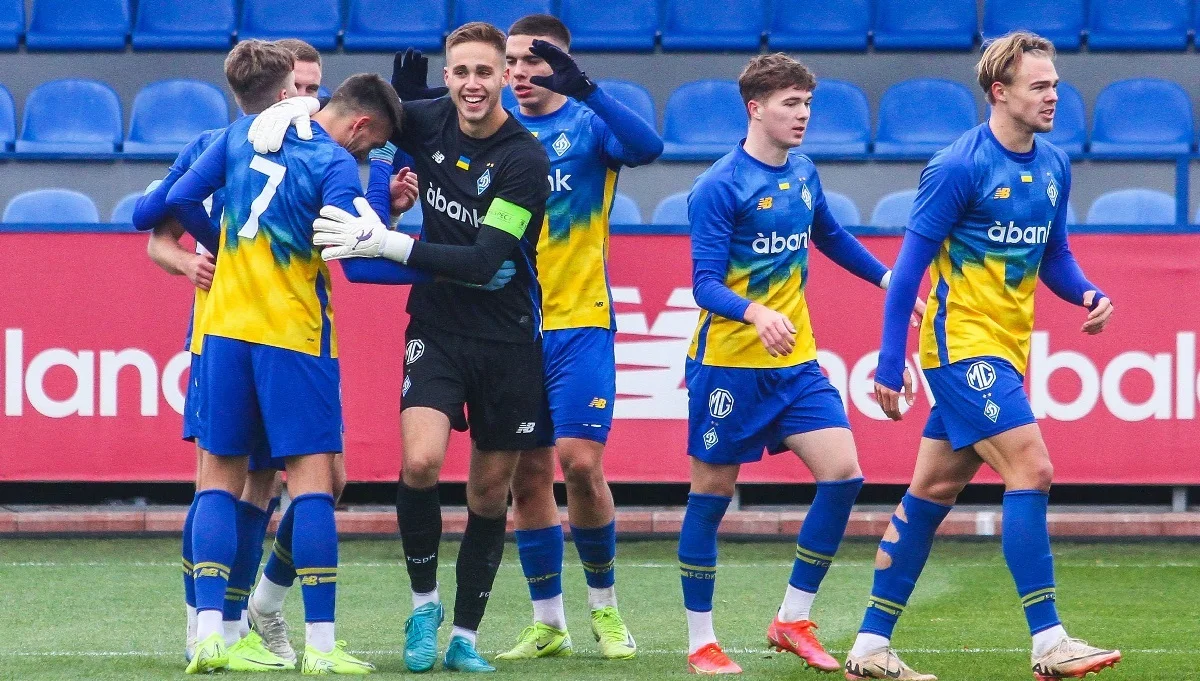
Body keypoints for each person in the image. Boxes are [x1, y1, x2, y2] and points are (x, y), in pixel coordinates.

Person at [260, 21, 551, 674]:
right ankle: (424, 606)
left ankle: (465, 635)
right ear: (446, 77)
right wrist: (376, 194)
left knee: (488, 494)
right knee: (419, 462)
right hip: (438, 327)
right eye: (461, 72)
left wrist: (386, 241)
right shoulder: (424, 119)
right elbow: (351, 122)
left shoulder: (525, 160)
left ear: (505, 77)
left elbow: (484, 262)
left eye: (485, 72)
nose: (473, 84)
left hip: (508, 338)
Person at [844, 31, 1119, 681]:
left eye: (1055, 85)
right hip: (959, 348)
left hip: (1006, 349)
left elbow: (1055, 254)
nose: (1054, 96)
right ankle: (1049, 640)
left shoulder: (1054, 165)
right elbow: (907, 274)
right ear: (1000, 92)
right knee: (1033, 467)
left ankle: (870, 646)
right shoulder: (957, 167)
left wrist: (1087, 292)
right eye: (1039, 86)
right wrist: (890, 363)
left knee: (931, 491)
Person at [677, 53, 916, 675]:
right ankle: (701, 641)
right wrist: (754, 312)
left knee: (843, 475)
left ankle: (792, 618)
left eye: (807, 103)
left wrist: (889, 280)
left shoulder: (804, 171)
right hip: (727, 368)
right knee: (711, 498)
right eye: (791, 103)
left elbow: (829, 235)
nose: (804, 114)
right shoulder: (719, 186)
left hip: (796, 366)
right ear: (755, 109)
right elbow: (704, 285)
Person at [165, 72, 402, 675]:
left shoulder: (242, 134)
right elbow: (359, 246)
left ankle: (209, 638)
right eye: (372, 145)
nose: (366, 153)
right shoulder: (332, 161)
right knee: (312, 483)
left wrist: (226, 247)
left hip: (223, 330)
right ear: (359, 125)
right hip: (294, 336)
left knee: (218, 481)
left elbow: (179, 201)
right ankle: (321, 648)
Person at [132, 38, 314, 672]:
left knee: (273, 487)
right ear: (281, 88)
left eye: (315, 88)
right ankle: (205, 625)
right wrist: (189, 262)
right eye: (300, 86)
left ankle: (243, 616)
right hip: (220, 334)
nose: (307, 98)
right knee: (219, 480)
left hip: (292, 333)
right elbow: (155, 232)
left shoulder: (317, 149)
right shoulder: (216, 145)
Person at [487, 14, 661, 661]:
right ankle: (548, 622)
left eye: (534, 61)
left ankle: (606, 610)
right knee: (527, 476)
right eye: (510, 62)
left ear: (560, 64)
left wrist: (588, 90)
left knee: (581, 464)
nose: (519, 73)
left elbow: (648, 147)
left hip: (581, 320)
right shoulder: (494, 134)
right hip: (510, 328)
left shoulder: (589, 125)